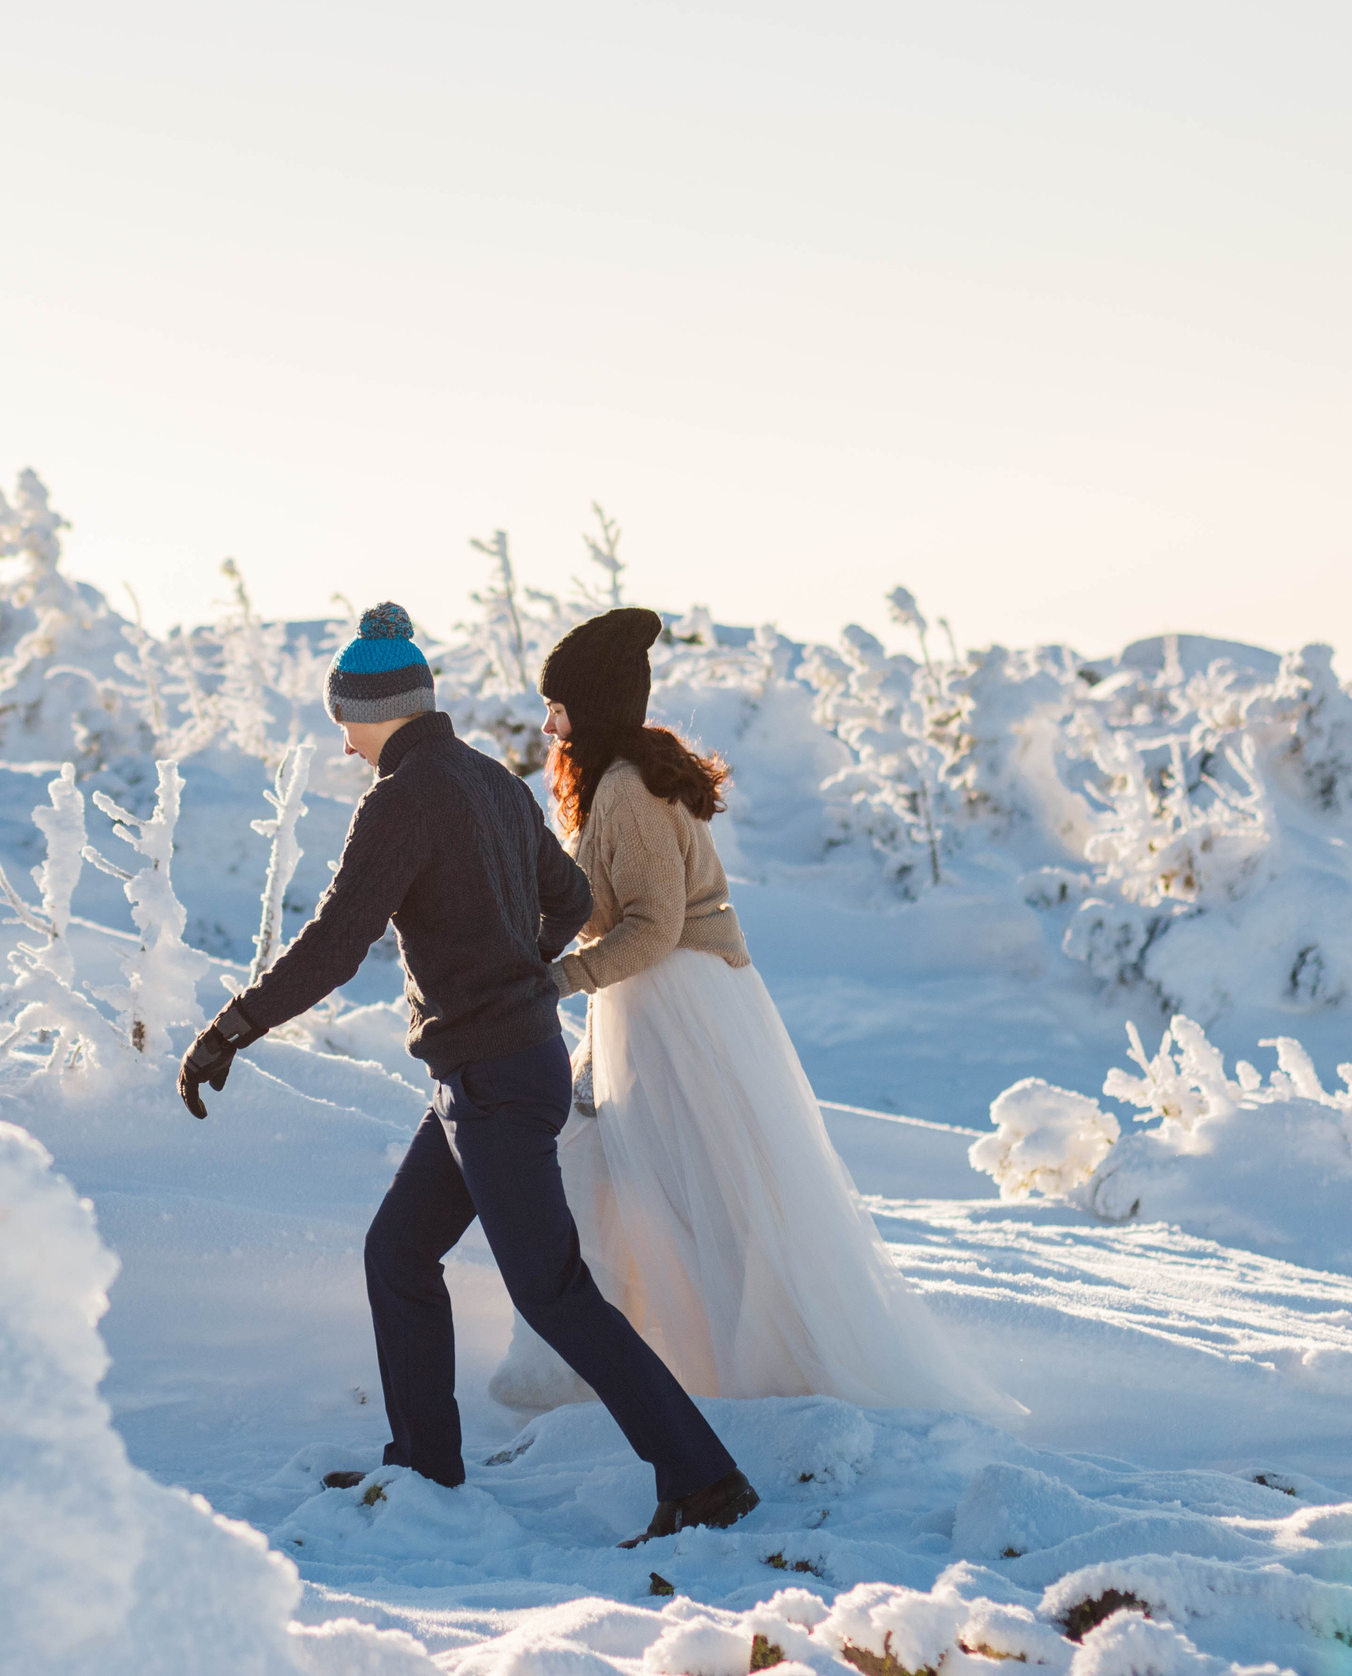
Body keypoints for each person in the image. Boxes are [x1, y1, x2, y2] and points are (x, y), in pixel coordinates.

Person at [178, 603, 758, 1547]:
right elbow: (570, 896)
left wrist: (233, 1027)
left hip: (492, 1078)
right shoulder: (491, 778)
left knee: (552, 1290)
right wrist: (516, 965)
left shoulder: (400, 800)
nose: (343, 738)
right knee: (398, 1251)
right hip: (488, 1071)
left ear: (375, 711)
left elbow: (335, 942)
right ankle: (424, 1463)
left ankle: (706, 1477)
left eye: (344, 718)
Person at [492, 607, 1019, 1422]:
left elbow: (653, 927)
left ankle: (752, 1373)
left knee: (703, 1189)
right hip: (658, 1002)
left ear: (589, 709)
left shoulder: (627, 790)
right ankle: (588, 1369)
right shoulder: (626, 781)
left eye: (558, 708)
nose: (549, 726)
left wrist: (559, 978)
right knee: (614, 1168)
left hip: (673, 1007)